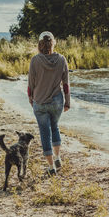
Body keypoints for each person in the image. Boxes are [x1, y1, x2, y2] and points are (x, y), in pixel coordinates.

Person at [27, 31, 70, 176]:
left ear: (39, 44)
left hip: (40, 102)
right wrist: (67, 102)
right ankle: (58, 158)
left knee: (45, 132)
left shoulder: (35, 60)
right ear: (53, 43)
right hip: (57, 101)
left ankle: (51, 167)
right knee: (54, 127)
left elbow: (30, 84)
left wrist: (31, 99)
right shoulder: (62, 59)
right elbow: (66, 84)